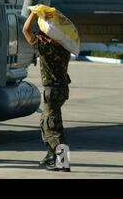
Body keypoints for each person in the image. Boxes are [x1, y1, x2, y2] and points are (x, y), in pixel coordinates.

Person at [22, 9, 71, 172]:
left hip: (53, 91)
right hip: (61, 90)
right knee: (45, 122)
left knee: (53, 127)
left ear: (45, 36)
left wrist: (34, 13)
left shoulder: (45, 49)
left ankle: (63, 162)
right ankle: (51, 155)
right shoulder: (64, 49)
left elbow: (25, 30)